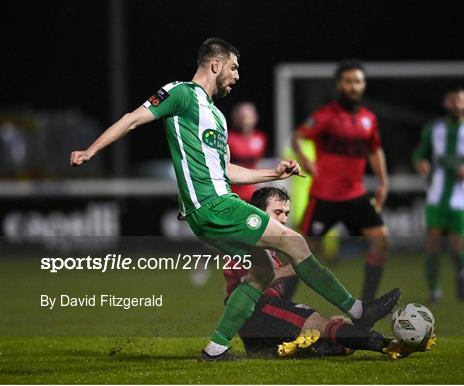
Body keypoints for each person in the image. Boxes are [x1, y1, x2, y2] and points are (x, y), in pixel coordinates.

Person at [70, 38, 400, 361]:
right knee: (294, 241)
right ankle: (359, 310)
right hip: (212, 205)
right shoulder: (182, 94)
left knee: (263, 271)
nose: (237, 75)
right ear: (215, 64)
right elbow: (131, 119)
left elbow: (227, 170)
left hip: (214, 205)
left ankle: (215, 350)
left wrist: (274, 173)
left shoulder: (215, 116)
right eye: (234, 67)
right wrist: (90, 150)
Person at [227, 186, 395, 358]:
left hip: (265, 321)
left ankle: (295, 349)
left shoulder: (268, 247)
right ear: (258, 212)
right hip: (257, 313)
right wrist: (291, 269)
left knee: (336, 328)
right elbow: (243, 288)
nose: (284, 219)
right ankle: (390, 345)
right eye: (277, 212)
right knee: (321, 324)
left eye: (286, 214)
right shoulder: (243, 244)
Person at [290, 59, 390, 302]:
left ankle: (366, 304)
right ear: (338, 85)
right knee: (300, 251)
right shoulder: (325, 116)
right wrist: (305, 160)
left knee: (381, 241)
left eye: (357, 81)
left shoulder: (368, 119)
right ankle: (281, 305)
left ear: (363, 85)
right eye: (348, 82)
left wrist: (383, 183)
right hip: (325, 196)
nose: (353, 87)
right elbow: (297, 137)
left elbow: (375, 150)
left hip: (355, 194)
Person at [412, 86, 464, 303]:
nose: (456, 104)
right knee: (432, 244)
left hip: (462, 198)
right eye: (452, 100)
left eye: (461, 101)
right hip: (436, 195)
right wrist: (421, 162)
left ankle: (461, 272)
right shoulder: (433, 129)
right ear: (446, 103)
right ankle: (434, 290)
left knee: (457, 247)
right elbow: (420, 153)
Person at [228, 102, 268, 201]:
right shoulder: (229, 139)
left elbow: (259, 163)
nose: (245, 120)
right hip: (233, 192)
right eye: (242, 116)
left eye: (248, 116)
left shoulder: (261, 138)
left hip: (253, 192)